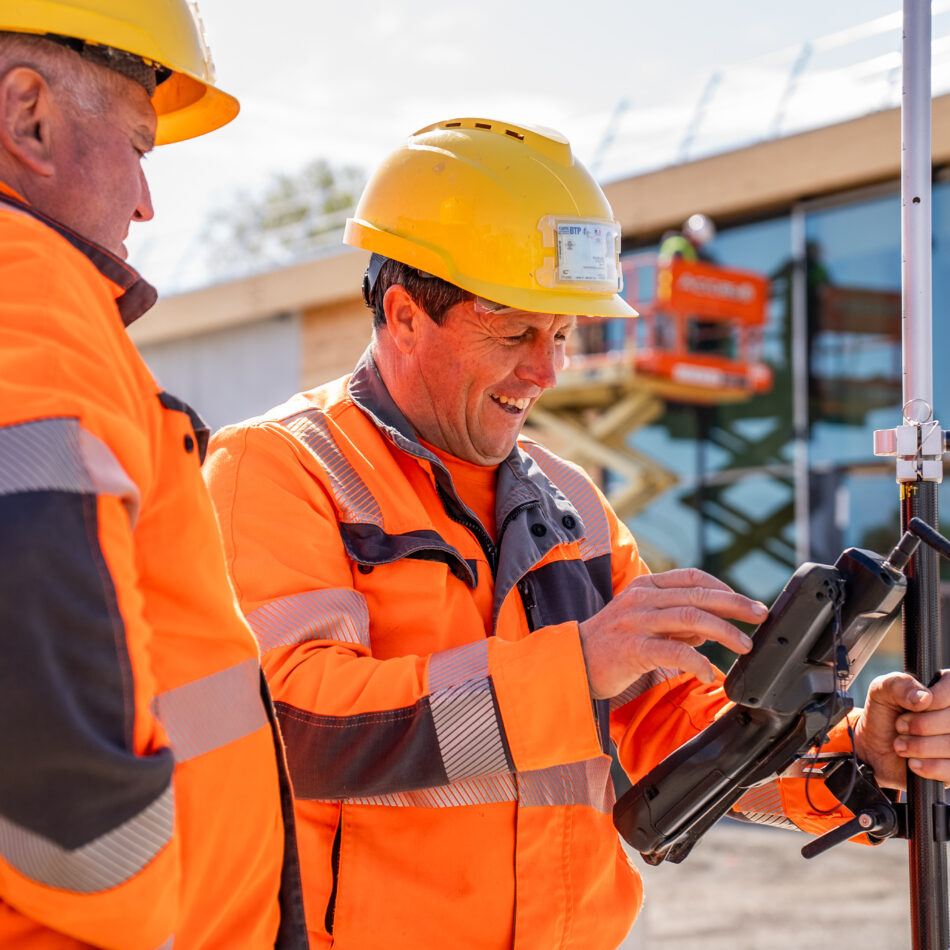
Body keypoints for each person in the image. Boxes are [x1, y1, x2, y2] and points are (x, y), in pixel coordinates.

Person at [204, 117, 950, 949]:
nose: (548, 370)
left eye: (563, 334)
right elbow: (298, 728)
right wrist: (577, 666)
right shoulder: (276, 469)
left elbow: (677, 726)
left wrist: (851, 757)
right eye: (516, 330)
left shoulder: (568, 499)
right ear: (405, 315)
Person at [0, 3, 306, 947]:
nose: (145, 201)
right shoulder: (27, 290)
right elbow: (61, 772)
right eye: (139, 145)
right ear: (28, 119)